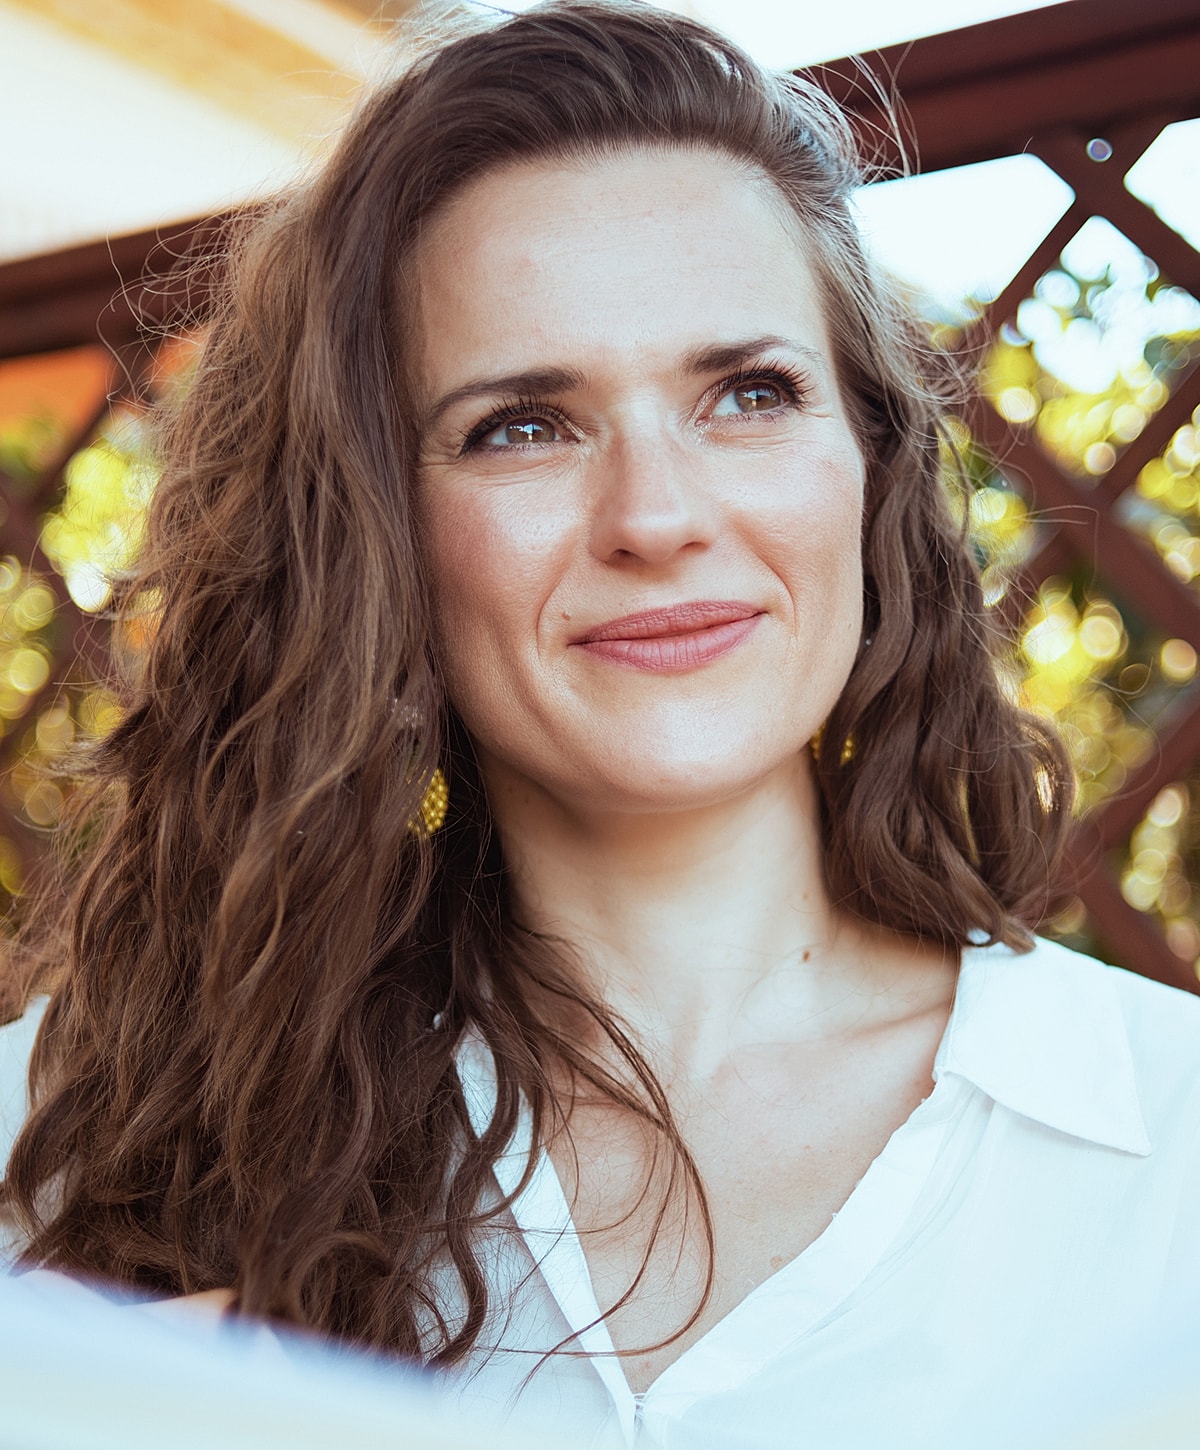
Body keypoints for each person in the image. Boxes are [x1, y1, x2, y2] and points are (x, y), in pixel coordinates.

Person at [2, 3, 1199, 1446]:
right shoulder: (68, 1134)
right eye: (522, 424)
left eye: (747, 394)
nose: (657, 516)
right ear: (378, 532)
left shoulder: (1172, 1144)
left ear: (869, 468)